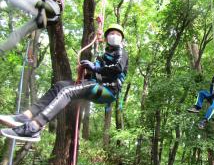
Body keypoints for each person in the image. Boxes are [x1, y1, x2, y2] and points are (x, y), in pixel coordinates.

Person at [0, 24, 128, 141]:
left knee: (67, 92)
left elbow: (117, 69)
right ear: (106, 38)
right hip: (97, 85)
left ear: (122, 39)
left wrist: (95, 68)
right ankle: (26, 116)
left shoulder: (121, 52)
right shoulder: (105, 54)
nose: (114, 36)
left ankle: (34, 127)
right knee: (60, 86)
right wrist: (88, 68)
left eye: (118, 34)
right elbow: (98, 73)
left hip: (108, 90)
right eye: (112, 34)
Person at [1, 0, 65, 55]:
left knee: (16, 0)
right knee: (19, 32)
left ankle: (32, 11)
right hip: (48, 17)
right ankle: (2, 48)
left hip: (50, 7)